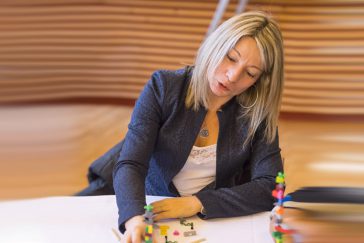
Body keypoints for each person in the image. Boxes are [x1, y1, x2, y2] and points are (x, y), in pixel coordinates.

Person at [89, 10, 285, 242]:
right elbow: (131, 163)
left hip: (207, 219)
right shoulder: (163, 87)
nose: (232, 76)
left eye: (250, 73)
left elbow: (270, 186)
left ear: (259, 80)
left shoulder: (257, 113)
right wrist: (134, 218)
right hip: (148, 203)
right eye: (230, 58)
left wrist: (196, 203)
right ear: (214, 46)